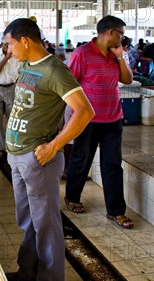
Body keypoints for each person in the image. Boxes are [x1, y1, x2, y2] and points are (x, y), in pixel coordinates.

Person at [2, 18, 94, 281]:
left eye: (10, 43)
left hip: (38, 159)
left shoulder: (55, 70)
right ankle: (28, 271)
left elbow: (84, 111)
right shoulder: (27, 66)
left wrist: (54, 145)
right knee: (27, 219)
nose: (8, 49)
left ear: (25, 40)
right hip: (18, 157)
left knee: (47, 225)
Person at [65, 15, 134, 230]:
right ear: (110, 32)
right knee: (81, 159)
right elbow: (68, 85)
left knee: (112, 165)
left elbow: (127, 79)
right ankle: (72, 197)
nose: (123, 38)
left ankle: (116, 211)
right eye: (120, 33)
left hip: (113, 118)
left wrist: (121, 57)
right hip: (87, 119)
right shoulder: (81, 54)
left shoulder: (117, 55)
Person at [0, 40, 21, 159]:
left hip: (11, 88)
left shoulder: (17, 55)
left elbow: (20, 73)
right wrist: (6, 58)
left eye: (12, 45)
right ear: (2, 44)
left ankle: (13, 146)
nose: (10, 47)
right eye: (8, 45)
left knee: (12, 119)